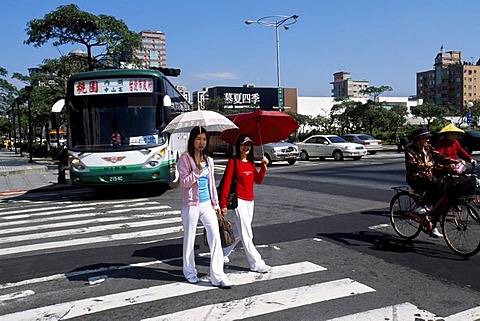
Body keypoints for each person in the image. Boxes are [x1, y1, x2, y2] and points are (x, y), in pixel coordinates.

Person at [177, 126, 233, 288]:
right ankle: (189, 272)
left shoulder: (209, 160)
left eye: (204, 139)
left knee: (215, 237)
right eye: (198, 139)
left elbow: (211, 184)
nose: (201, 142)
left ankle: (218, 275)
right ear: (192, 140)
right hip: (191, 205)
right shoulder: (185, 159)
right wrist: (196, 170)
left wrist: (216, 204)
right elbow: (185, 183)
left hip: (207, 203)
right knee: (189, 238)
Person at [220, 134, 271, 273]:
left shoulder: (250, 163)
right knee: (247, 233)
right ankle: (256, 263)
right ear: (238, 146)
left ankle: (222, 252)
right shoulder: (233, 162)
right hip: (239, 201)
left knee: (239, 230)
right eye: (243, 144)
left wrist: (264, 166)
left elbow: (258, 180)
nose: (246, 147)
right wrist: (223, 204)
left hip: (250, 200)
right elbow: (226, 183)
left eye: (248, 144)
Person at [405, 127, 459, 238]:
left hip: (428, 176)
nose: (428, 140)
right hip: (415, 177)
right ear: (418, 139)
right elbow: (410, 163)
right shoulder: (409, 149)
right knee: (433, 186)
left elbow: (438, 156)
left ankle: (433, 226)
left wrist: (449, 161)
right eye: (425, 138)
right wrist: (423, 165)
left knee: (441, 196)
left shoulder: (428, 147)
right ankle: (423, 206)